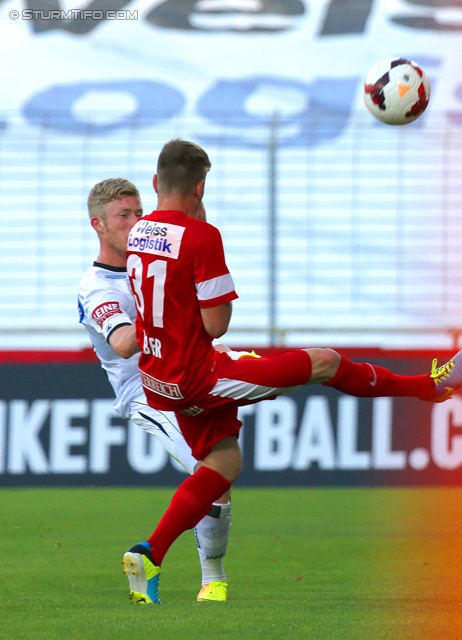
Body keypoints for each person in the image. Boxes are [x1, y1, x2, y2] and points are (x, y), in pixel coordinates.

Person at [124, 138, 462, 604]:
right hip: (199, 374)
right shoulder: (204, 236)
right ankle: (429, 386)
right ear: (201, 187)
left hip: (158, 380)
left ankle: (152, 551)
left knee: (224, 462)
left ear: (156, 181)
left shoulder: (138, 232)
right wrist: (201, 231)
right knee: (324, 361)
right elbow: (216, 323)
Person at [78, 177, 250, 603]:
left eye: (139, 211)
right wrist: (163, 309)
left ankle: (202, 577)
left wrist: (196, 195)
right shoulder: (97, 285)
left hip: (189, 371)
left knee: (306, 370)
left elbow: (196, 236)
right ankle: (209, 578)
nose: (136, 221)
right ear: (98, 225)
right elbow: (120, 343)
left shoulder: (152, 253)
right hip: (145, 389)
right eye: (124, 215)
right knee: (215, 469)